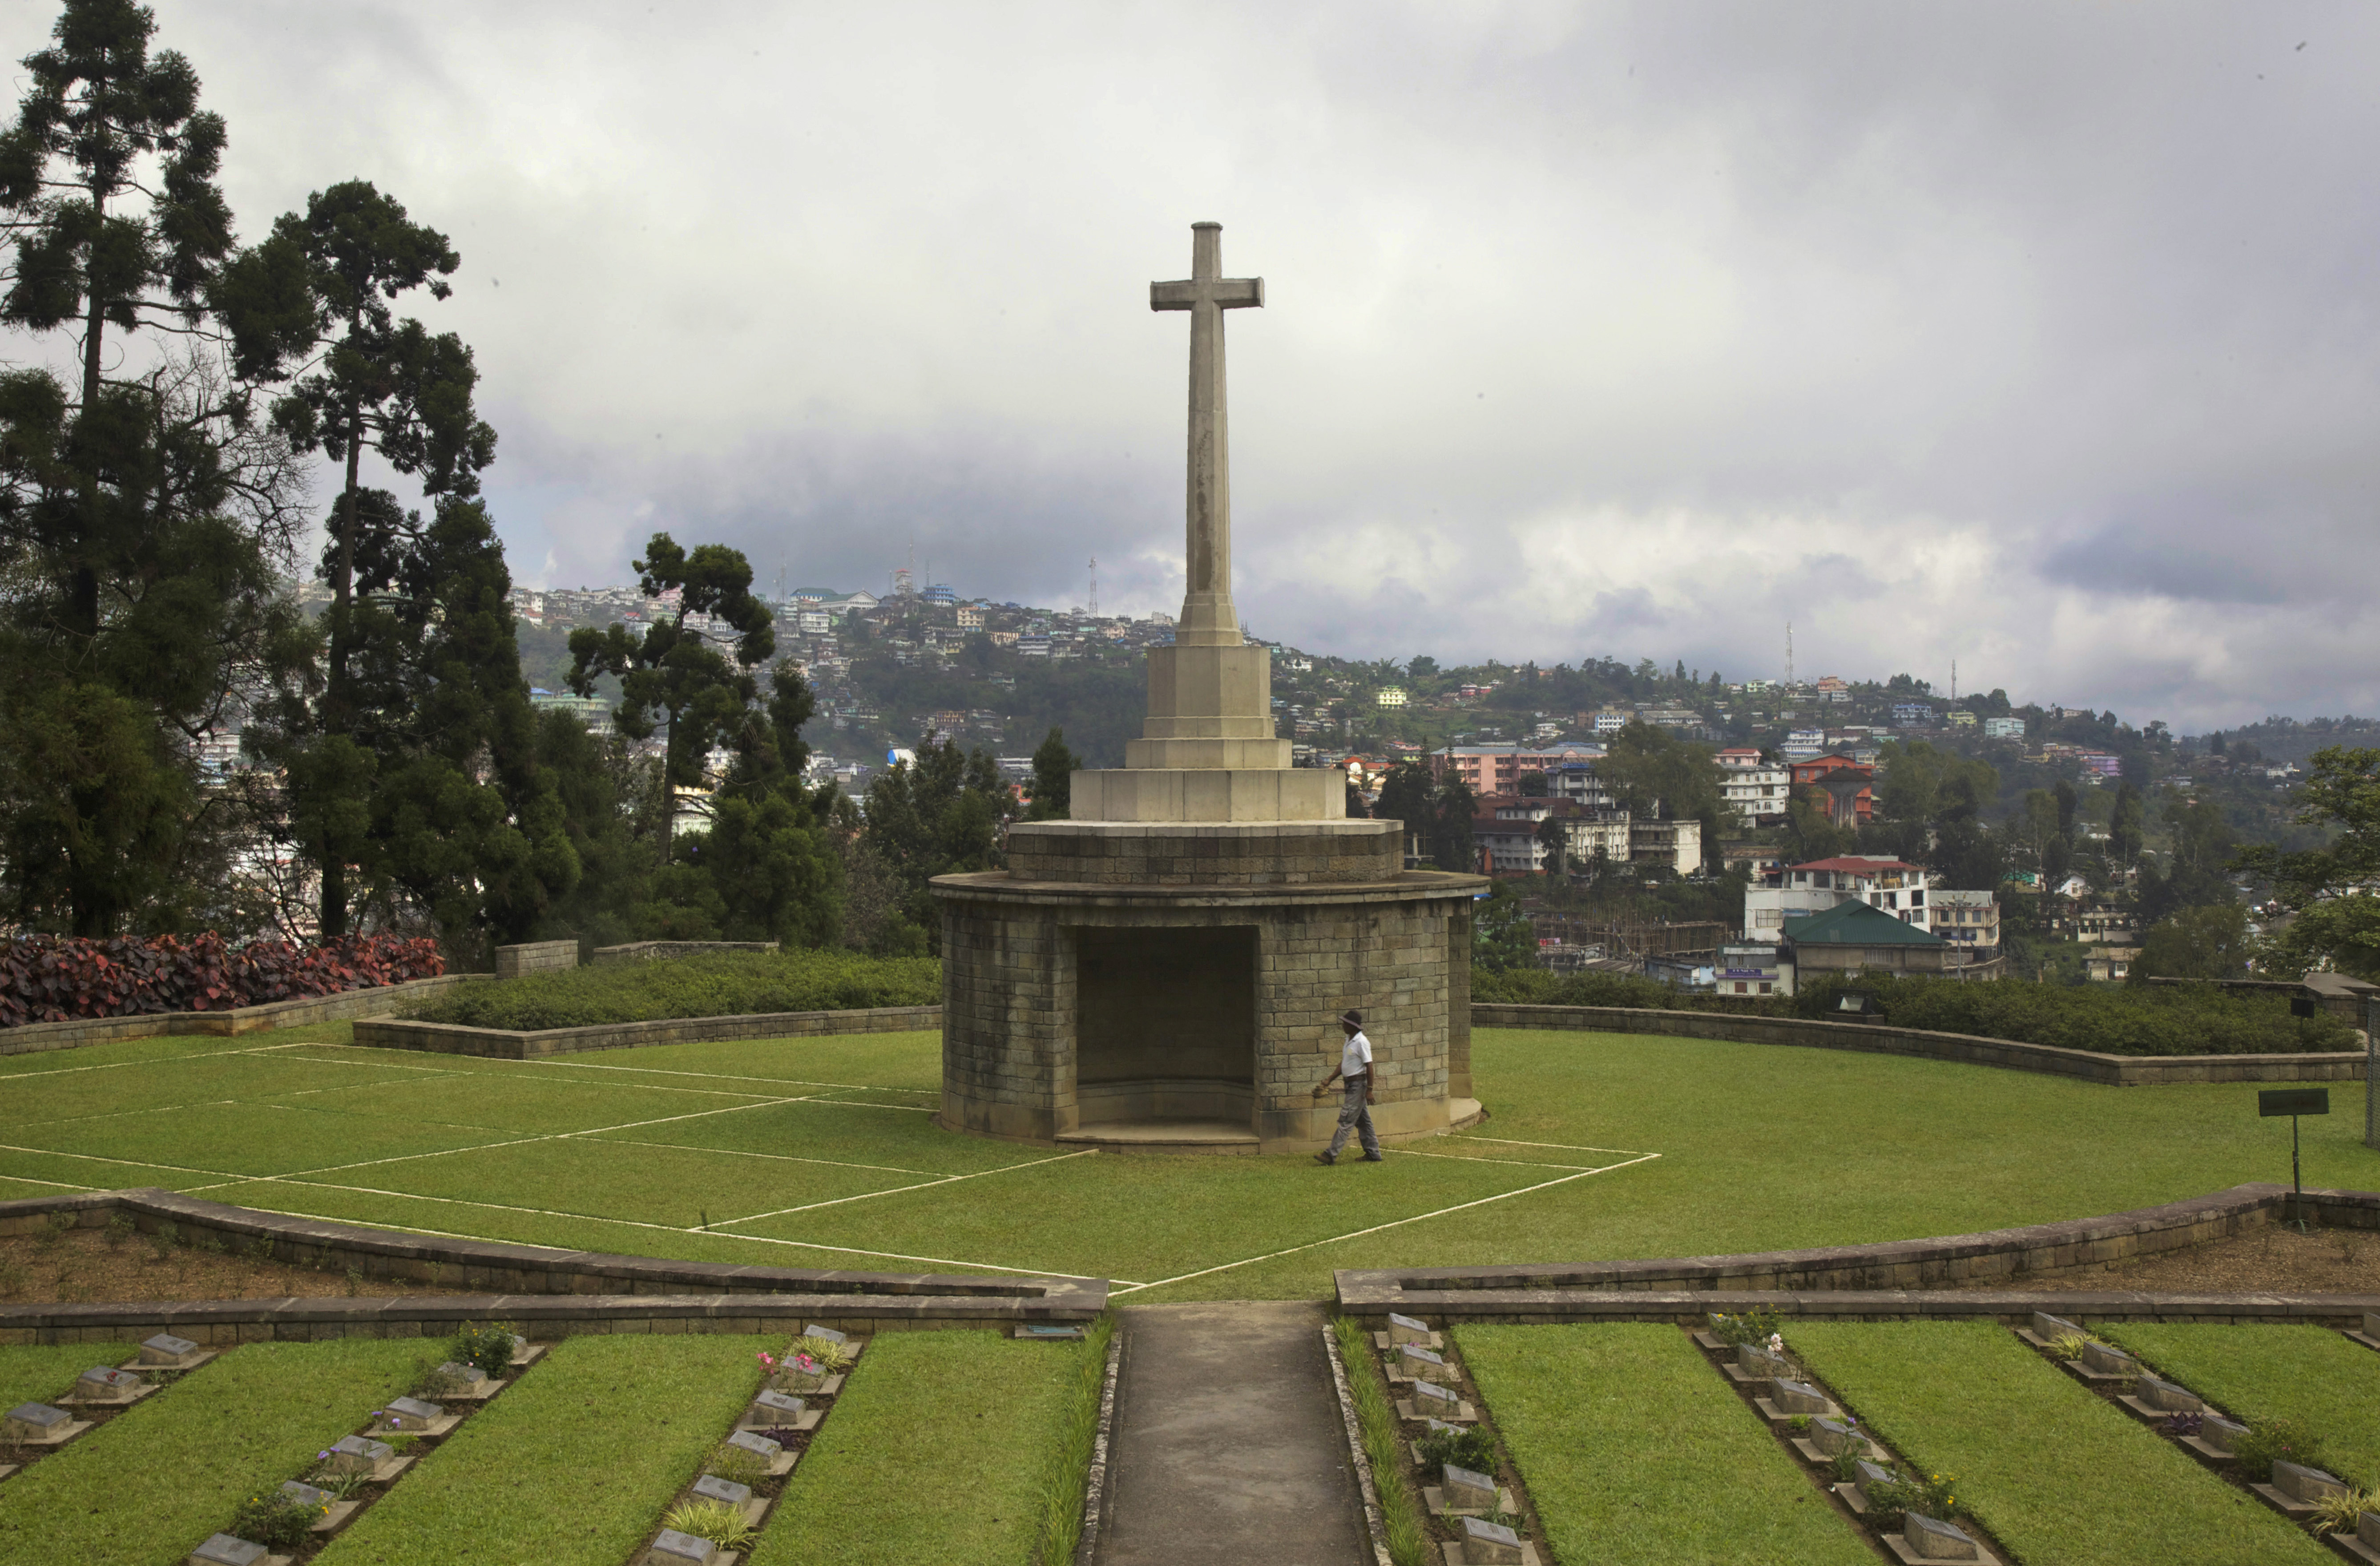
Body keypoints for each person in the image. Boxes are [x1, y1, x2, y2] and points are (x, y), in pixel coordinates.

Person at [1312, 1009, 1382, 1165]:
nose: (1343, 1025)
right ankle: (1373, 1153)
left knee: (1346, 1119)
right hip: (1351, 1085)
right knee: (1363, 1121)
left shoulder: (1361, 1042)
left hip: (1358, 1086)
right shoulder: (1349, 1040)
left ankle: (1331, 1155)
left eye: (1345, 1023)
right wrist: (1329, 1079)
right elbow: (1344, 1063)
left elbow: (1369, 1066)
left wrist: (1370, 1090)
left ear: (1353, 1026)